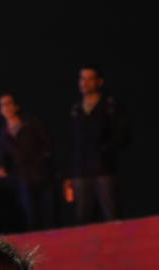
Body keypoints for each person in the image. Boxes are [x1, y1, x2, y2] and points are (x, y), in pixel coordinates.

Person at [66, 67, 128, 224]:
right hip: (81, 170)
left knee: (111, 212)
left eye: (89, 78)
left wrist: (105, 150)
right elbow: (71, 141)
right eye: (82, 78)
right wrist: (69, 173)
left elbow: (121, 134)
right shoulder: (76, 109)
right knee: (83, 215)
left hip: (103, 168)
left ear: (99, 82)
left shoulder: (109, 105)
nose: (84, 83)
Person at [0, 93, 55, 230]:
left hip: (43, 175)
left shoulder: (32, 124)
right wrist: (2, 168)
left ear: (16, 106)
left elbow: (48, 145)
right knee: (31, 216)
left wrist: (43, 161)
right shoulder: (3, 134)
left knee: (49, 214)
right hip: (23, 179)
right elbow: (3, 159)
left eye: (9, 103)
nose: (6, 108)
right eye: (2, 105)